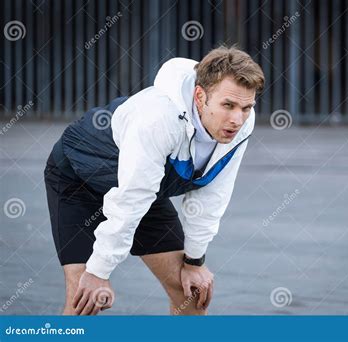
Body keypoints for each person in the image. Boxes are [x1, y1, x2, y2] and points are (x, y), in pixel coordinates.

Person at [43, 46, 265, 315]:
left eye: (246, 107)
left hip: (143, 188)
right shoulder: (159, 118)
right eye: (228, 105)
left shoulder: (243, 122)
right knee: (85, 299)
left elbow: (214, 190)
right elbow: (132, 198)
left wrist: (195, 260)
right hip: (78, 178)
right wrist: (99, 270)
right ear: (199, 96)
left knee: (190, 297)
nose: (237, 119)